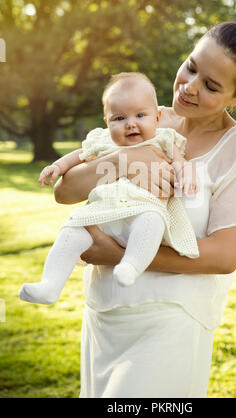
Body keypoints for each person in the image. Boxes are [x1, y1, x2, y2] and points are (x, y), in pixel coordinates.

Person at [54, 20, 236, 398]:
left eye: (211, 86)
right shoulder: (144, 119)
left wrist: (121, 255)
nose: (189, 87)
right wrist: (128, 161)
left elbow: (225, 255)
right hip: (105, 312)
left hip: (171, 320)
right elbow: (65, 190)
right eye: (191, 67)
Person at [19, 72, 201, 305]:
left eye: (140, 115)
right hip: (103, 215)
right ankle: (50, 285)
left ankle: (130, 266)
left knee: (153, 222)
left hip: (142, 210)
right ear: (107, 122)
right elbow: (78, 156)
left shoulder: (164, 139)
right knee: (71, 230)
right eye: (119, 118)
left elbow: (180, 162)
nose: (131, 123)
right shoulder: (103, 141)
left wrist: (186, 172)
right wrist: (56, 166)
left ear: (157, 118)